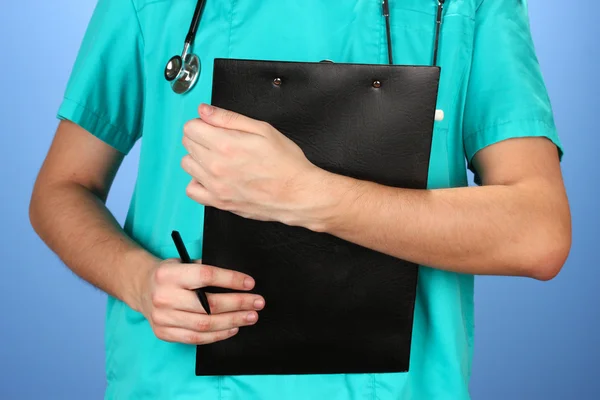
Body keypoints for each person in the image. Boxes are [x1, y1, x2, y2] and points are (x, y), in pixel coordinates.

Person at [29, 0, 571, 399]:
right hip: (173, 382)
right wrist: (137, 281)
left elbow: (537, 232)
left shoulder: (466, 7)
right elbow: (62, 188)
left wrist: (313, 197)